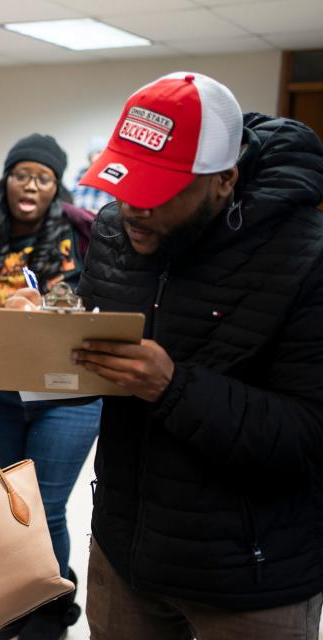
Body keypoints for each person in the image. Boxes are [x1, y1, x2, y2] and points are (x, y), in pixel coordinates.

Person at [63, 72, 323, 639]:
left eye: (158, 192)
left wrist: (173, 387)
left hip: (252, 574)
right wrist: (49, 328)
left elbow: (309, 433)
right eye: (124, 183)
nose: (132, 208)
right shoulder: (116, 230)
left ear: (224, 180)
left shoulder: (305, 256)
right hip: (124, 550)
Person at [0, 133, 99, 640]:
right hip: (0, 389)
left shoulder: (83, 233)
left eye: (43, 177)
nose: (30, 185)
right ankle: (20, 597)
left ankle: (52, 608)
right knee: (13, 503)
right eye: (21, 174)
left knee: (44, 506)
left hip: (68, 396)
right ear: (6, 179)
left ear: (56, 186)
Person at [70, 136, 114, 213]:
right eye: (98, 152)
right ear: (90, 156)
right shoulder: (80, 176)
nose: (100, 156)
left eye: (104, 153)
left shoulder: (113, 179)